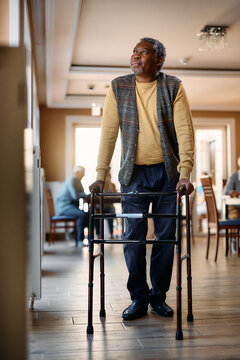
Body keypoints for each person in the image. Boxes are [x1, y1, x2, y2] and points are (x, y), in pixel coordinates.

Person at [89, 37, 194, 321]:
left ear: (158, 60)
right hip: (133, 176)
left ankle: (158, 296)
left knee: (165, 237)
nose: (136, 56)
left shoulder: (173, 86)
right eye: (134, 52)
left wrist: (185, 174)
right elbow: (108, 133)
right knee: (132, 237)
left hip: (166, 175)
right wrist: (101, 176)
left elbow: (185, 132)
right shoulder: (119, 86)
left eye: (143, 52)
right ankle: (138, 297)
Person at [56, 166, 88, 246]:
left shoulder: (78, 181)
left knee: (87, 215)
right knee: (82, 215)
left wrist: (85, 196)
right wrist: (85, 196)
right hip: (65, 207)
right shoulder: (72, 180)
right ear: (77, 173)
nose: (83, 175)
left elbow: (82, 193)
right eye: (82, 173)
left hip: (71, 207)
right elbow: (75, 196)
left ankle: (73, 233)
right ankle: (80, 240)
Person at [224, 156, 240, 253]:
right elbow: (227, 191)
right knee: (235, 216)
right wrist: (235, 192)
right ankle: (234, 241)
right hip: (234, 207)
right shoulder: (234, 176)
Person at [95, 172, 117, 239]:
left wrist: (110, 184)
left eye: (109, 177)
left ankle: (111, 234)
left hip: (109, 207)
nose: (107, 178)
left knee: (111, 214)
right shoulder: (99, 186)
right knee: (96, 215)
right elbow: (96, 197)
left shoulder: (112, 185)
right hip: (99, 207)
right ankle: (98, 234)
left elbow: (115, 196)